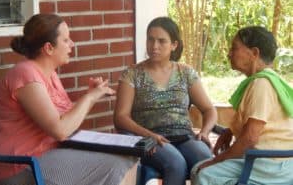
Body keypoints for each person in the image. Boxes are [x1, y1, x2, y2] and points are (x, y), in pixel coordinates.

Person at [0, 13, 138, 185]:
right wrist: (90, 98)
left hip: (48, 153)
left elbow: (67, 122)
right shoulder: (26, 74)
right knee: (118, 164)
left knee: (130, 155)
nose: (72, 44)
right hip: (21, 165)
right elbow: (60, 130)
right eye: (66, 40)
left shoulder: (50, 74)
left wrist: (90, 95)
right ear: (48, 48)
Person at [114, 16, 217, 185]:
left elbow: (209, 110)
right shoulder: (132, 74)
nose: (154, 46)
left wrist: (204, 132)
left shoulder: (185, 73)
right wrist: (149, 135)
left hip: (184, 137)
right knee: (176, 163)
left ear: (174, 45)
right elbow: (120, 117)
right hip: (148, 140)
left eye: (162, 41)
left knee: (205, 159)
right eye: (150, 40)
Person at [191, 26, 293, 185]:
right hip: (278, 162)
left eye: (234, 48)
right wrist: (230, 131)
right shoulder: (269, 80)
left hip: (269, 165)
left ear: (254, 53)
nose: (229, 53)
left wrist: (217, 160)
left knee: (202, 173)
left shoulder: (261, 84)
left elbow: (249, 139)